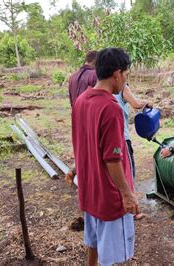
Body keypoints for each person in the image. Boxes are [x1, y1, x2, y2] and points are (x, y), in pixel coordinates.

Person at [72, 48, 138, 266]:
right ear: (117, 74)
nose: (125, 81)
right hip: (110, 197)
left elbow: (82, 144)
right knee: (112, 257)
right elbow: (112, 159)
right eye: (126, 75)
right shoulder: (111, 107)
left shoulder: (81, 101)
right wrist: (127, 195)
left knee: (93, 242)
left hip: (90, 191)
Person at [114, 84, 152, 220]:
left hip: (109, 137)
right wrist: (147, 102)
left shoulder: (99, 87)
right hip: (122, 138)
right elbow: (136, 104)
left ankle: (120, 205)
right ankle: (134, 211)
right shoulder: (121, 86)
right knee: (128, 172)